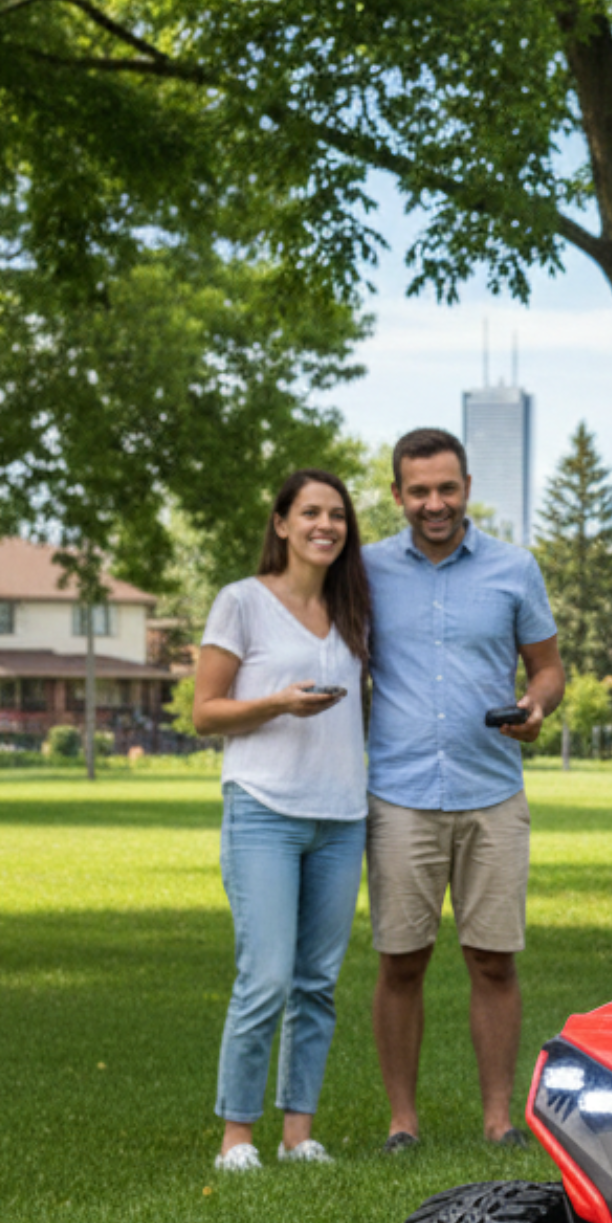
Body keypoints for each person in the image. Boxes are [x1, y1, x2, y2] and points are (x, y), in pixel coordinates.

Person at [363, 427, 565, 1151]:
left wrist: (538, 705)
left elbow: (547, 668)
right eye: (418, 491)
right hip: (399, 794)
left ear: (468, 487)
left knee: (492, 957)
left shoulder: (514, 569)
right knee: (401, 959)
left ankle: (499, 1119)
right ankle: (402, 1122)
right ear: (397, 495)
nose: (434, 503)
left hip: (492, 793)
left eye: (446, 488)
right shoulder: (365, 570)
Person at [193, 469, 372, 1173]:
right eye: (310, 513)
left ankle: (299, 1134)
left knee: (316, 983)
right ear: (281, 524)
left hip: (341, 816)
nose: (325, 525)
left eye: (336, 515)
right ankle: (237, 1138)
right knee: (265, 977)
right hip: (264, 809)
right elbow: (205, 713)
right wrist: (278, 703)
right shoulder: (241, 602)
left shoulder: (353, 610)